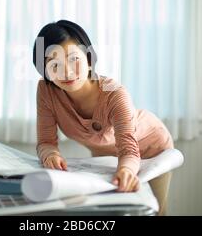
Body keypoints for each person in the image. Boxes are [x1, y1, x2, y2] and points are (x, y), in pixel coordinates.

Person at [32, 20, 174, 215]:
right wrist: (51, 155)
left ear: (89, 58)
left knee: (153, 211)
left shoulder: (114, 94)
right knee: (108, 210)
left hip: (150, 146)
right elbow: (46, 142)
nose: (67, 71)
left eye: (74, 59)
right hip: (105, 152)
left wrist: (126, 170)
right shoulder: (46, 90)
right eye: (54, 64)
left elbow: (129, 150)